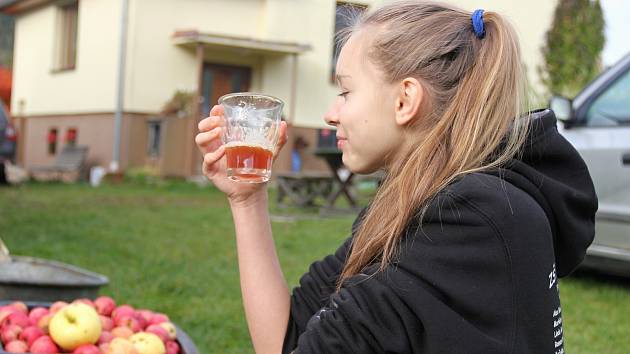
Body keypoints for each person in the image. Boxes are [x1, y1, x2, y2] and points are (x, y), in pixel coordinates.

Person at [195, 1, 598, 353]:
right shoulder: (422, 200)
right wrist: (247, 200)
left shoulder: (467, 218)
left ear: (405, 100)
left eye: (346, 91)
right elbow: (288, 339)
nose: (331, 113)